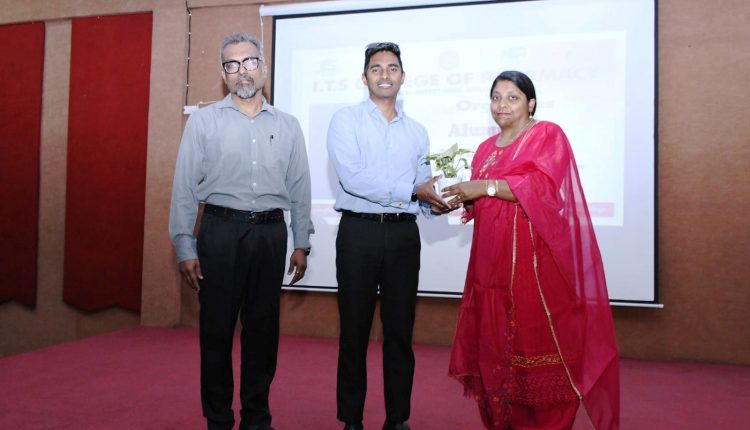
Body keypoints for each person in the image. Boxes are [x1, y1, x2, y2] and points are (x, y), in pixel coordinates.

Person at [443, 71, 620, 430]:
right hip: (489, 267)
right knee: (494, 349)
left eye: (513, 97)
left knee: (536, 345)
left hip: (533, 267)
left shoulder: (546, 135)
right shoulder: (485, 149)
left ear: (531, 103)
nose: (502, 104)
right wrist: (459, 198)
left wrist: (483, 187)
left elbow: (540, 188)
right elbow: (484, 201)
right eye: (496, 97)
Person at [168, 32, 313, 430]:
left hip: (270, 235)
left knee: (262, 334)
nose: (242, 71)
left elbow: (300, 187)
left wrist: (302, 241)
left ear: (263, 67)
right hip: (219, 233)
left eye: (249, 62)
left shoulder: (288, 125)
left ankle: (256, 418)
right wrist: (184, 245)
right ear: (223, 74)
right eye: (232, 65)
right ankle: (218, 420)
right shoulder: (203, 122)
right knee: (216, 332)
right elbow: (183, 188)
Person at [326, 42, 449, 430]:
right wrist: (414, 192)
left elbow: (422, 185)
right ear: (364, 78)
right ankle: (352, 420)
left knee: (399, 332)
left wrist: (439, 202)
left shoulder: (417, 132)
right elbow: (353, 178)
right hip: (358, 234)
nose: (384, 74)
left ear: (403, 77)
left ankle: (397, 419)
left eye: (392, 68)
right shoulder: (345, 121)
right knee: (354, 332)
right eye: (376, 68)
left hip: (402, 237)